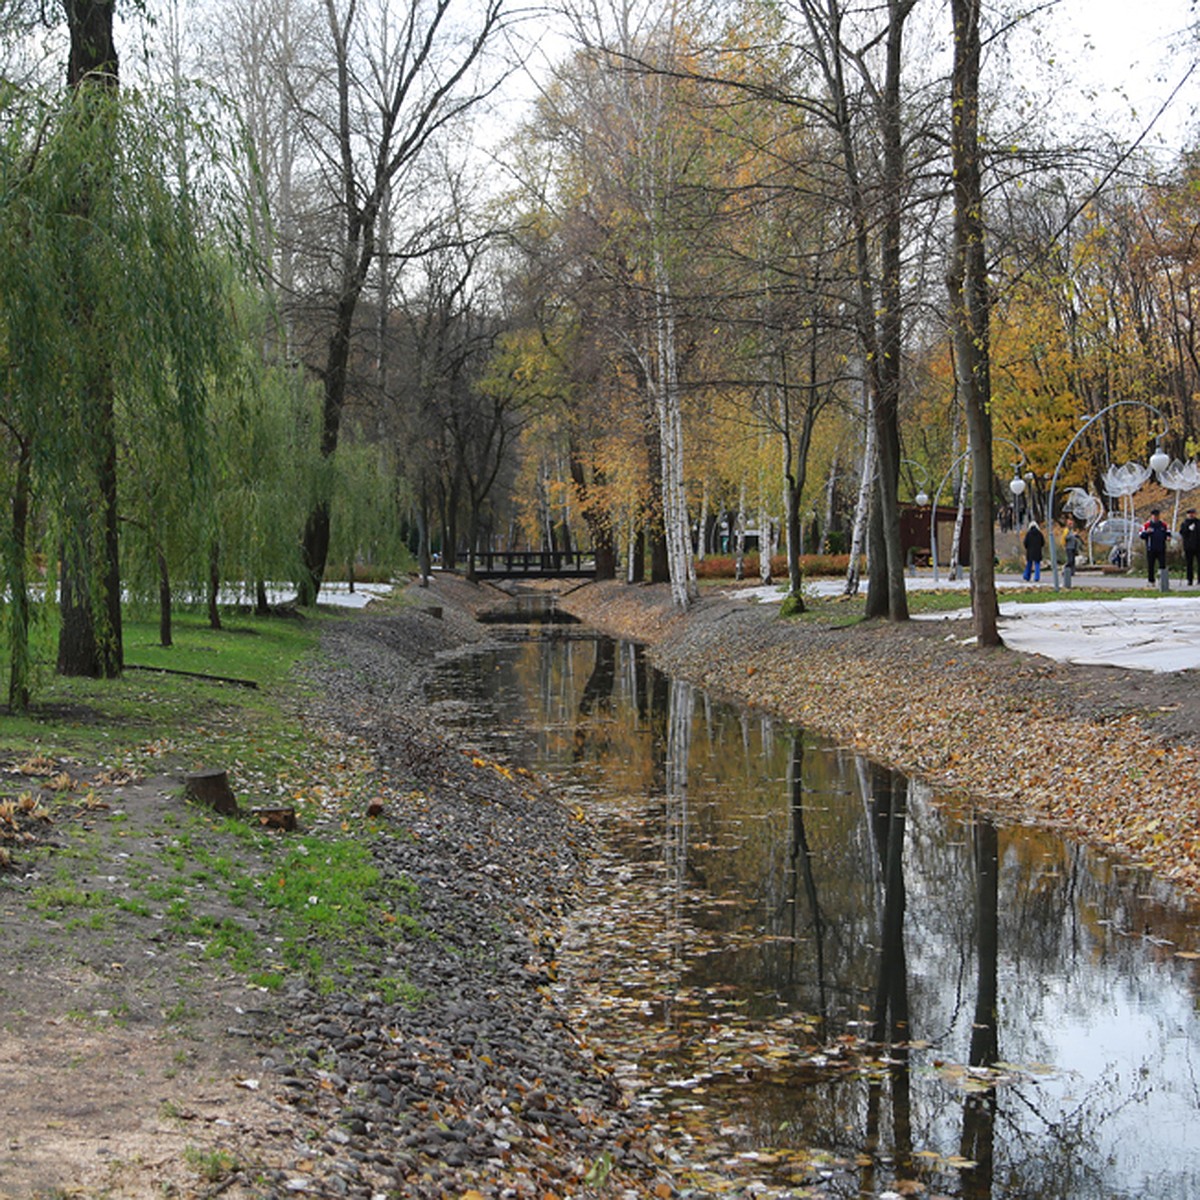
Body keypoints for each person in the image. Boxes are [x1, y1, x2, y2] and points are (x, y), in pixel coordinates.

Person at [1139, 508, 1171, 585]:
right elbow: (1141, 535)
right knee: (1151, 566)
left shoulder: (1163, 525)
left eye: (1157, 516)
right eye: (1154, 516)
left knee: (1162, 565)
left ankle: (1162, 581)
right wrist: (1147, 532)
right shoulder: (1147, 525)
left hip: (1161, 548)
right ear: (1151, 516)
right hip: (1151, 548)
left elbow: (1168, 533)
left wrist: (1168, 537)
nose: (1155, 517)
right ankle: (1151, 581)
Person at [1180, 507, 1200, 586]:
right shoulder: (1184, 523)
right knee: (1189, 564)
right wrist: (1188, 529)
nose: (1191, 515)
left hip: (1198, 546)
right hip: (1188, 547)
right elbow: (1182, 533)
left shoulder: (1198, 522)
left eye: (1192, 513)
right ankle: (1189, 579)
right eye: (1189, 513)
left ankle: (1199, 579)